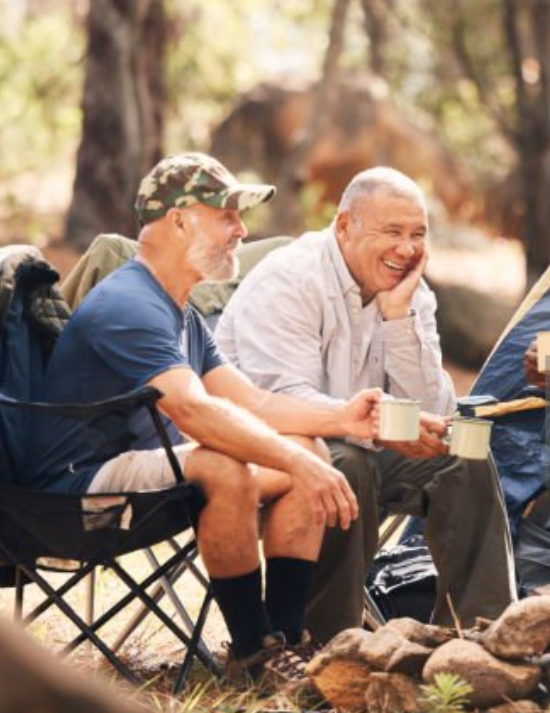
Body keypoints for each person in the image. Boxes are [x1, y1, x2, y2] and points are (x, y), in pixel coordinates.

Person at [23, 153, 382, 687]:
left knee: (308, 449)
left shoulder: (181, 311)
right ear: (181, 220)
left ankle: (283, 647)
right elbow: (193, 410)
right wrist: (291, 460)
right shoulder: (129, 304)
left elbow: (252, 403)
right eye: (228, 215)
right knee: (223, 466)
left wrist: (342, 419)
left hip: (145, 477)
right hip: (79, 491)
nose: (242, 230)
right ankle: (252, 650)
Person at [216, 166, 516, 641]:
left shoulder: (410, 291)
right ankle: (332, 642)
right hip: (277, 454)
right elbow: (279, 400)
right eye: (392, 231)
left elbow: (435, 405)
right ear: (344, 226)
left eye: (417, 234)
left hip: (365, 445)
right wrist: (377, 425)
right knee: (345, 463)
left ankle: (481, 637)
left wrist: (399, 319)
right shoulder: (291, 281)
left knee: (461, 455)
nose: (406, 248)